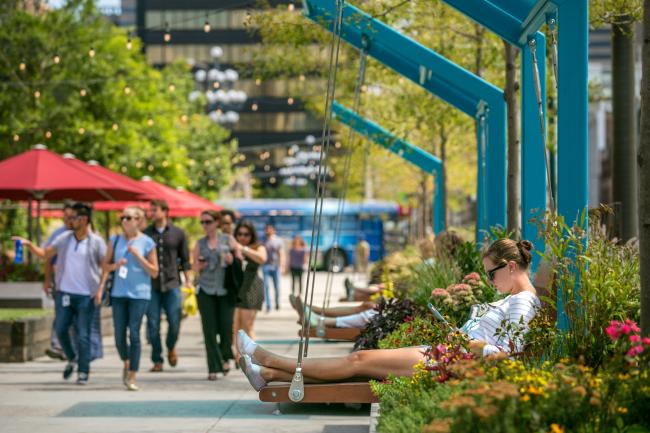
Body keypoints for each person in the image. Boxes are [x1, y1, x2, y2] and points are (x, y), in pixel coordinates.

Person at [237, 238, 540, 390]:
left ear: (510, 266)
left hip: (455, 360)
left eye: (491, 274)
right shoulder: (513, 298)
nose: (489, 281)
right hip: (450, 354)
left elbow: (510, 354)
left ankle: (270, 360)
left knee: (359, 361)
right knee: (362, 364)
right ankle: (269, 374)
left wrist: (471, 345)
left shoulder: (522, 303)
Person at [22, 203, 107, 384]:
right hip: (65, 293)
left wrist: (100, 289)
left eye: (72, 218)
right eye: (67, 217)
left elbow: (105, 267)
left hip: (86, 296)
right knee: (60, 329)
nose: (68, 221)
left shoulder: (96, 242)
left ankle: (83, 372)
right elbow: (45, 254)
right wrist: (29, 245)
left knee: (83, 334)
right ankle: (73, 358)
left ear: (83, 220)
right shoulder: (64, 238)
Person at [98, 206, 158, 391]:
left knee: (134, 334)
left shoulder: (147, 242)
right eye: (123, 217)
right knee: (118, 336)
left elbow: (154, 272)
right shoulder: (114, 240)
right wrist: (116, 265)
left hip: (140, 294)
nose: (125, 220)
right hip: (118, 294)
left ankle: (132, 374)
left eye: (129, 217)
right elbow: (104, 266)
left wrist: (139, 257)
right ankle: (126, 361)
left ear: (139, 220)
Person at [144, 199, 192, 372]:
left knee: (175, 321)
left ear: (165, 211)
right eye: (151, 210)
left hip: (172, 283)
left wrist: (188, 281)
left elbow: (185, 260)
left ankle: (171, 346)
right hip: (151, 285)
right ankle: (157, 359)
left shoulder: (178, 233)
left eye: (154, 210)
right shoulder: (145, 234)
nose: (151, 213)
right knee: (153, 324)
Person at [192, 210, 237, 380]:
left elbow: (239, 259)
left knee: (226, 328)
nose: (205, 225)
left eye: (208, 221)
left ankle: (226, 357)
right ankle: (213, 367)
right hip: (206, 291)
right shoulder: (199, 243)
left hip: (225, 291)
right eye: (202, 222)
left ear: (217, 223)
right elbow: (194, 267)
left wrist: (232, 259)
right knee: (209, 331)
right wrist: (199, 266)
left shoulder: (228, 239)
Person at [231, 220, 267, 353]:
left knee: (247, 325)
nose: (242, 237)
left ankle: (256, 357)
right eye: (239, 234)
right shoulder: (232, 247)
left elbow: (262, 259)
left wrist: (244, 249)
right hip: (235, 289)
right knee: (234, 327)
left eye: (246, 234)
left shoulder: (258, 247)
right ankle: (238, 357)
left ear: (252, 235)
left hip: (252, 289)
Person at [262, 224, 283, 312]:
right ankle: (268, 305)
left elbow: (281, 253)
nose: (268, 231)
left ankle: (277, 302)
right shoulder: (263, 240)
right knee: (266, 286)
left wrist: (281, 265)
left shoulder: (278, 240)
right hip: (265, 266)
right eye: (267, 229)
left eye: (270, 229)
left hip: (275, 266)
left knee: (277, 287)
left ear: (273, 230)